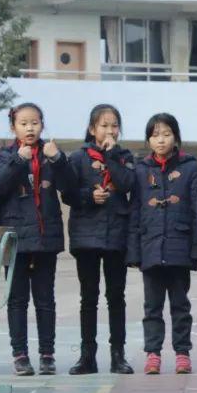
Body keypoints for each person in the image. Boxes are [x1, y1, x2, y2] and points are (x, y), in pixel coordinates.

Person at [0, 103, 67, 376]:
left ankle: (47, 354)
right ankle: (20, 354)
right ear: (14, 128)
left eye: (34, 122)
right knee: (17, 300)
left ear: (42, 125)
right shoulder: (5, 155)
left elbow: (69, 188)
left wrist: (58, 159)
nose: (30, 128)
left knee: (46, 300)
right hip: (16, 240)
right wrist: (18, 161)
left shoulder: (51, 153)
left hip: (46, 239)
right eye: (23, 123)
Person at [128, 113, 197, 375]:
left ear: (176, 137)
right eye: (155, 135)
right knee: (152, 307)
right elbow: (136, 212)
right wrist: (134, 252)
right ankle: (153, 354)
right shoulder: (141, 170)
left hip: (180, 249)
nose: (161, 140)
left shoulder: (191, 168)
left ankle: (182, 353)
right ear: (148, 140)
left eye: (166, 134)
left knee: (180, 305)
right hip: (150, 248)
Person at [62, 104, 136, 376]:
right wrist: (88, 197)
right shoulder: (78, 158)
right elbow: (68, 193)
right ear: (92, 129)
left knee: (116, 296)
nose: (109, 130)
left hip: (116, 233)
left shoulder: (124, 155)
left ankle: (118, 354)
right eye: (103, 125)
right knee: (88, 297)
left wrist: (112, 156)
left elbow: (128, 184)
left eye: (114, 125)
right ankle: (87, 356)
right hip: (86, 235)